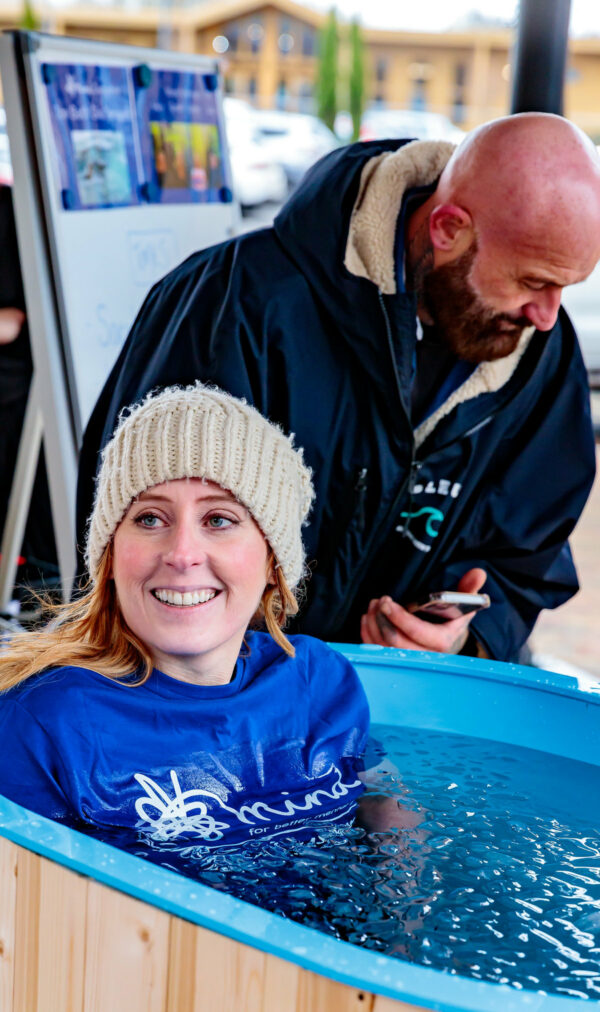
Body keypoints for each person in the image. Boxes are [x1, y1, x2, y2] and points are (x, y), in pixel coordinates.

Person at [76, 113, 600, 664]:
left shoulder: (541, 353)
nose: (547, 315)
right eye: (532, 281)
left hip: (399, 701)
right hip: (220, 697)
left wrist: (466, 639)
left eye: (565, 287)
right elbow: (131, 537)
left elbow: (528, 554)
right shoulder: (233, 302)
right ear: (448, 228)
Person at [0, 383, 370, 847]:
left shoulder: (320, 682)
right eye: (150, 518)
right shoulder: (42, 724)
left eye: (218, 520)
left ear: (273, 562)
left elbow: (389, 814)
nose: (181, 554)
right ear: (110, 557)